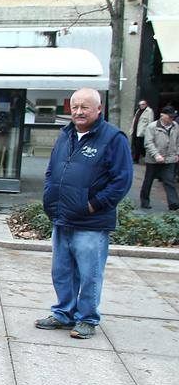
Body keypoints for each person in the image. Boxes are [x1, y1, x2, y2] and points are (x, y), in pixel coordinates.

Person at [36, 88, 132, 339]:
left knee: (89, 274)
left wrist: (93, 205)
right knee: (62, 271)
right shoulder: (65, 134)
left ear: (98, 109)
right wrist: (49, 196)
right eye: (75, 107)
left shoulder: (113, 138)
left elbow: (121, 181)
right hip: (62, 216)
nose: (78, 112)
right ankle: (63, 313)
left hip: (91, 222)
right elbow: (52, 170)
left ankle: (87, 318)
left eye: (85, 107)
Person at [140, 105, 178, 210]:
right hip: (153, 160)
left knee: (169, 181)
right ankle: (145, 201)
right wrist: (156, 155)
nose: (172, 119)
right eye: (169, 116)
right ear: (162, 115)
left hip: (169, 159)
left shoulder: (175, 126)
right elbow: (148, 143)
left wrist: (177, 154)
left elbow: (177, 141)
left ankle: (174, 203)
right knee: (148, 181)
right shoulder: (152, 127)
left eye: (173, 117)